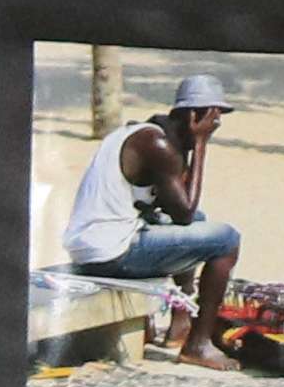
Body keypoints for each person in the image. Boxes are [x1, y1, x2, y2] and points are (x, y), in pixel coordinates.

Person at [60, 71, 248, 371]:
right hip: (111, 253)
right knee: (227, 240)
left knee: (201, 223)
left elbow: (178, 210)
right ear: (195, 116)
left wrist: (191, 145)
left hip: (93, 245)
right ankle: (198, 345)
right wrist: (201, 144)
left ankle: (180, 322)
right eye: (213, 119)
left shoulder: (147, 134)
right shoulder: (157, 146)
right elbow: (184, 214)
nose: (216, 126)